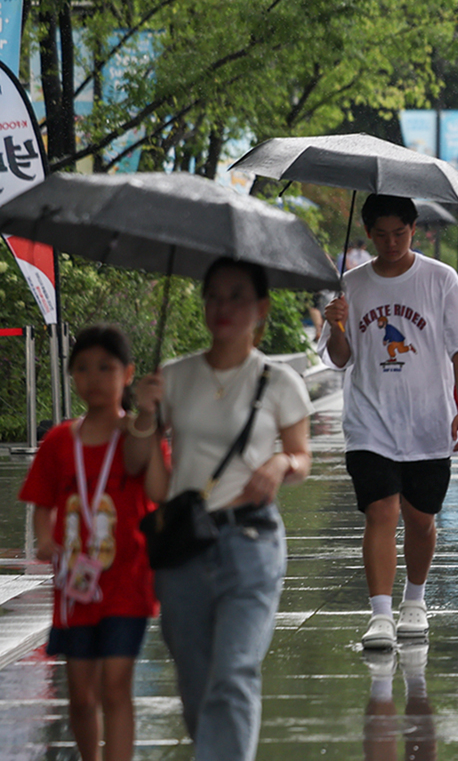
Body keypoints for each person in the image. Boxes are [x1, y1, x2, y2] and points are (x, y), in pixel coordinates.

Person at [129, 259, 312, 761]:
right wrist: (144, 415)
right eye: (214, 295)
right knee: (194, 679)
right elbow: (150, 476)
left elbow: (302, 459)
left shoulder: (278, 381)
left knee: (233, 674)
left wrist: (279, 462)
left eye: (237, 296)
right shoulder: (173, 377)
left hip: (251, 543)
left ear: (261, 309)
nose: (223, 307)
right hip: (185, 545)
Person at [321, 194, 458, 650]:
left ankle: (415, 599)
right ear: (369, 233)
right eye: (382, 234)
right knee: (381, 511)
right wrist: (336, 325)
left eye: (400, 233)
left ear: (415, 229)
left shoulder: (440, 279)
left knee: (420, 519)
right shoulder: (350, 285)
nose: (392, 242)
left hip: (428, 421)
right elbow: (340, 359)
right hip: (369, 421)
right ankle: (380, 614)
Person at [19, 326, 161, 761]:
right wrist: (44, 539)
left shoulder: (136, 435)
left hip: (128, 583)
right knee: (80, 694)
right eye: (82, 368)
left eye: (106, 367)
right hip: (75, 589)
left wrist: (152, 420)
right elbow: (42, 501)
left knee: (116, 685)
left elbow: (159, 489)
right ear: (71, 377)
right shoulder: (60, 441)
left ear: (128, 374)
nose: (94, 377)